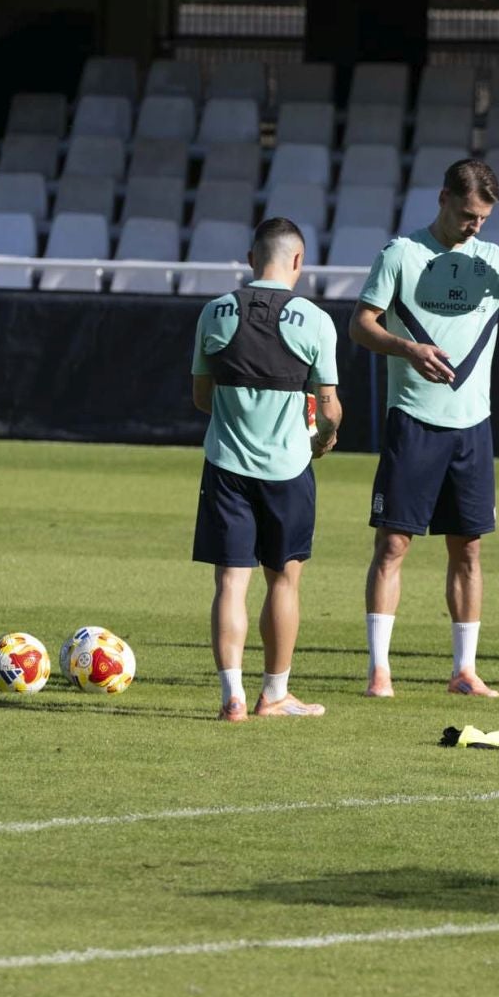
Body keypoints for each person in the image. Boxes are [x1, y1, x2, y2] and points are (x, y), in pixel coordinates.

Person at [350, 159, 499, 698]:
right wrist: (407, 347)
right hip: (413, 421)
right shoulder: (401, 254)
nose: (475, 225)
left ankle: (464, 671)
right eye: (468, 214)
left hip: (472, 428)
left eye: (483, 218)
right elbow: (361, 324)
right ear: (444, 198)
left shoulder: (492, 260)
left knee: (468, 550)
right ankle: (379, 671)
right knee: (393, 544)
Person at [190, 218, 342, 722]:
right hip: (287, 468)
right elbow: (330, 406)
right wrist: (323, 436)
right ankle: (273, 693)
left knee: (231, 582)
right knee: (284, 581)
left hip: (226, 465)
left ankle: (230, 696)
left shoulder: (214, 312)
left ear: (252, 257)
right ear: (297, 261)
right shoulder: (315, 319)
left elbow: (200, 396)